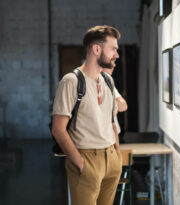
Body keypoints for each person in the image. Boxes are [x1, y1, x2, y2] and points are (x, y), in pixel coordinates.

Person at [52, 25, 122, 205]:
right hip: (86, 158)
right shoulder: (71, 82)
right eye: (113, 49)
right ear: (96, 49)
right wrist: (81, 164)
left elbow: (112, 121)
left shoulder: (108, 80)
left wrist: (117, 157)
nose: (117, 54)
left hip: (111, 158)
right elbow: (58, 130)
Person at [102, 66, 128, 134]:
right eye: (110, 62)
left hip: (112, 133)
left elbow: (124, 106)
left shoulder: (109, 83)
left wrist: (112, 104)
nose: (114, 65)